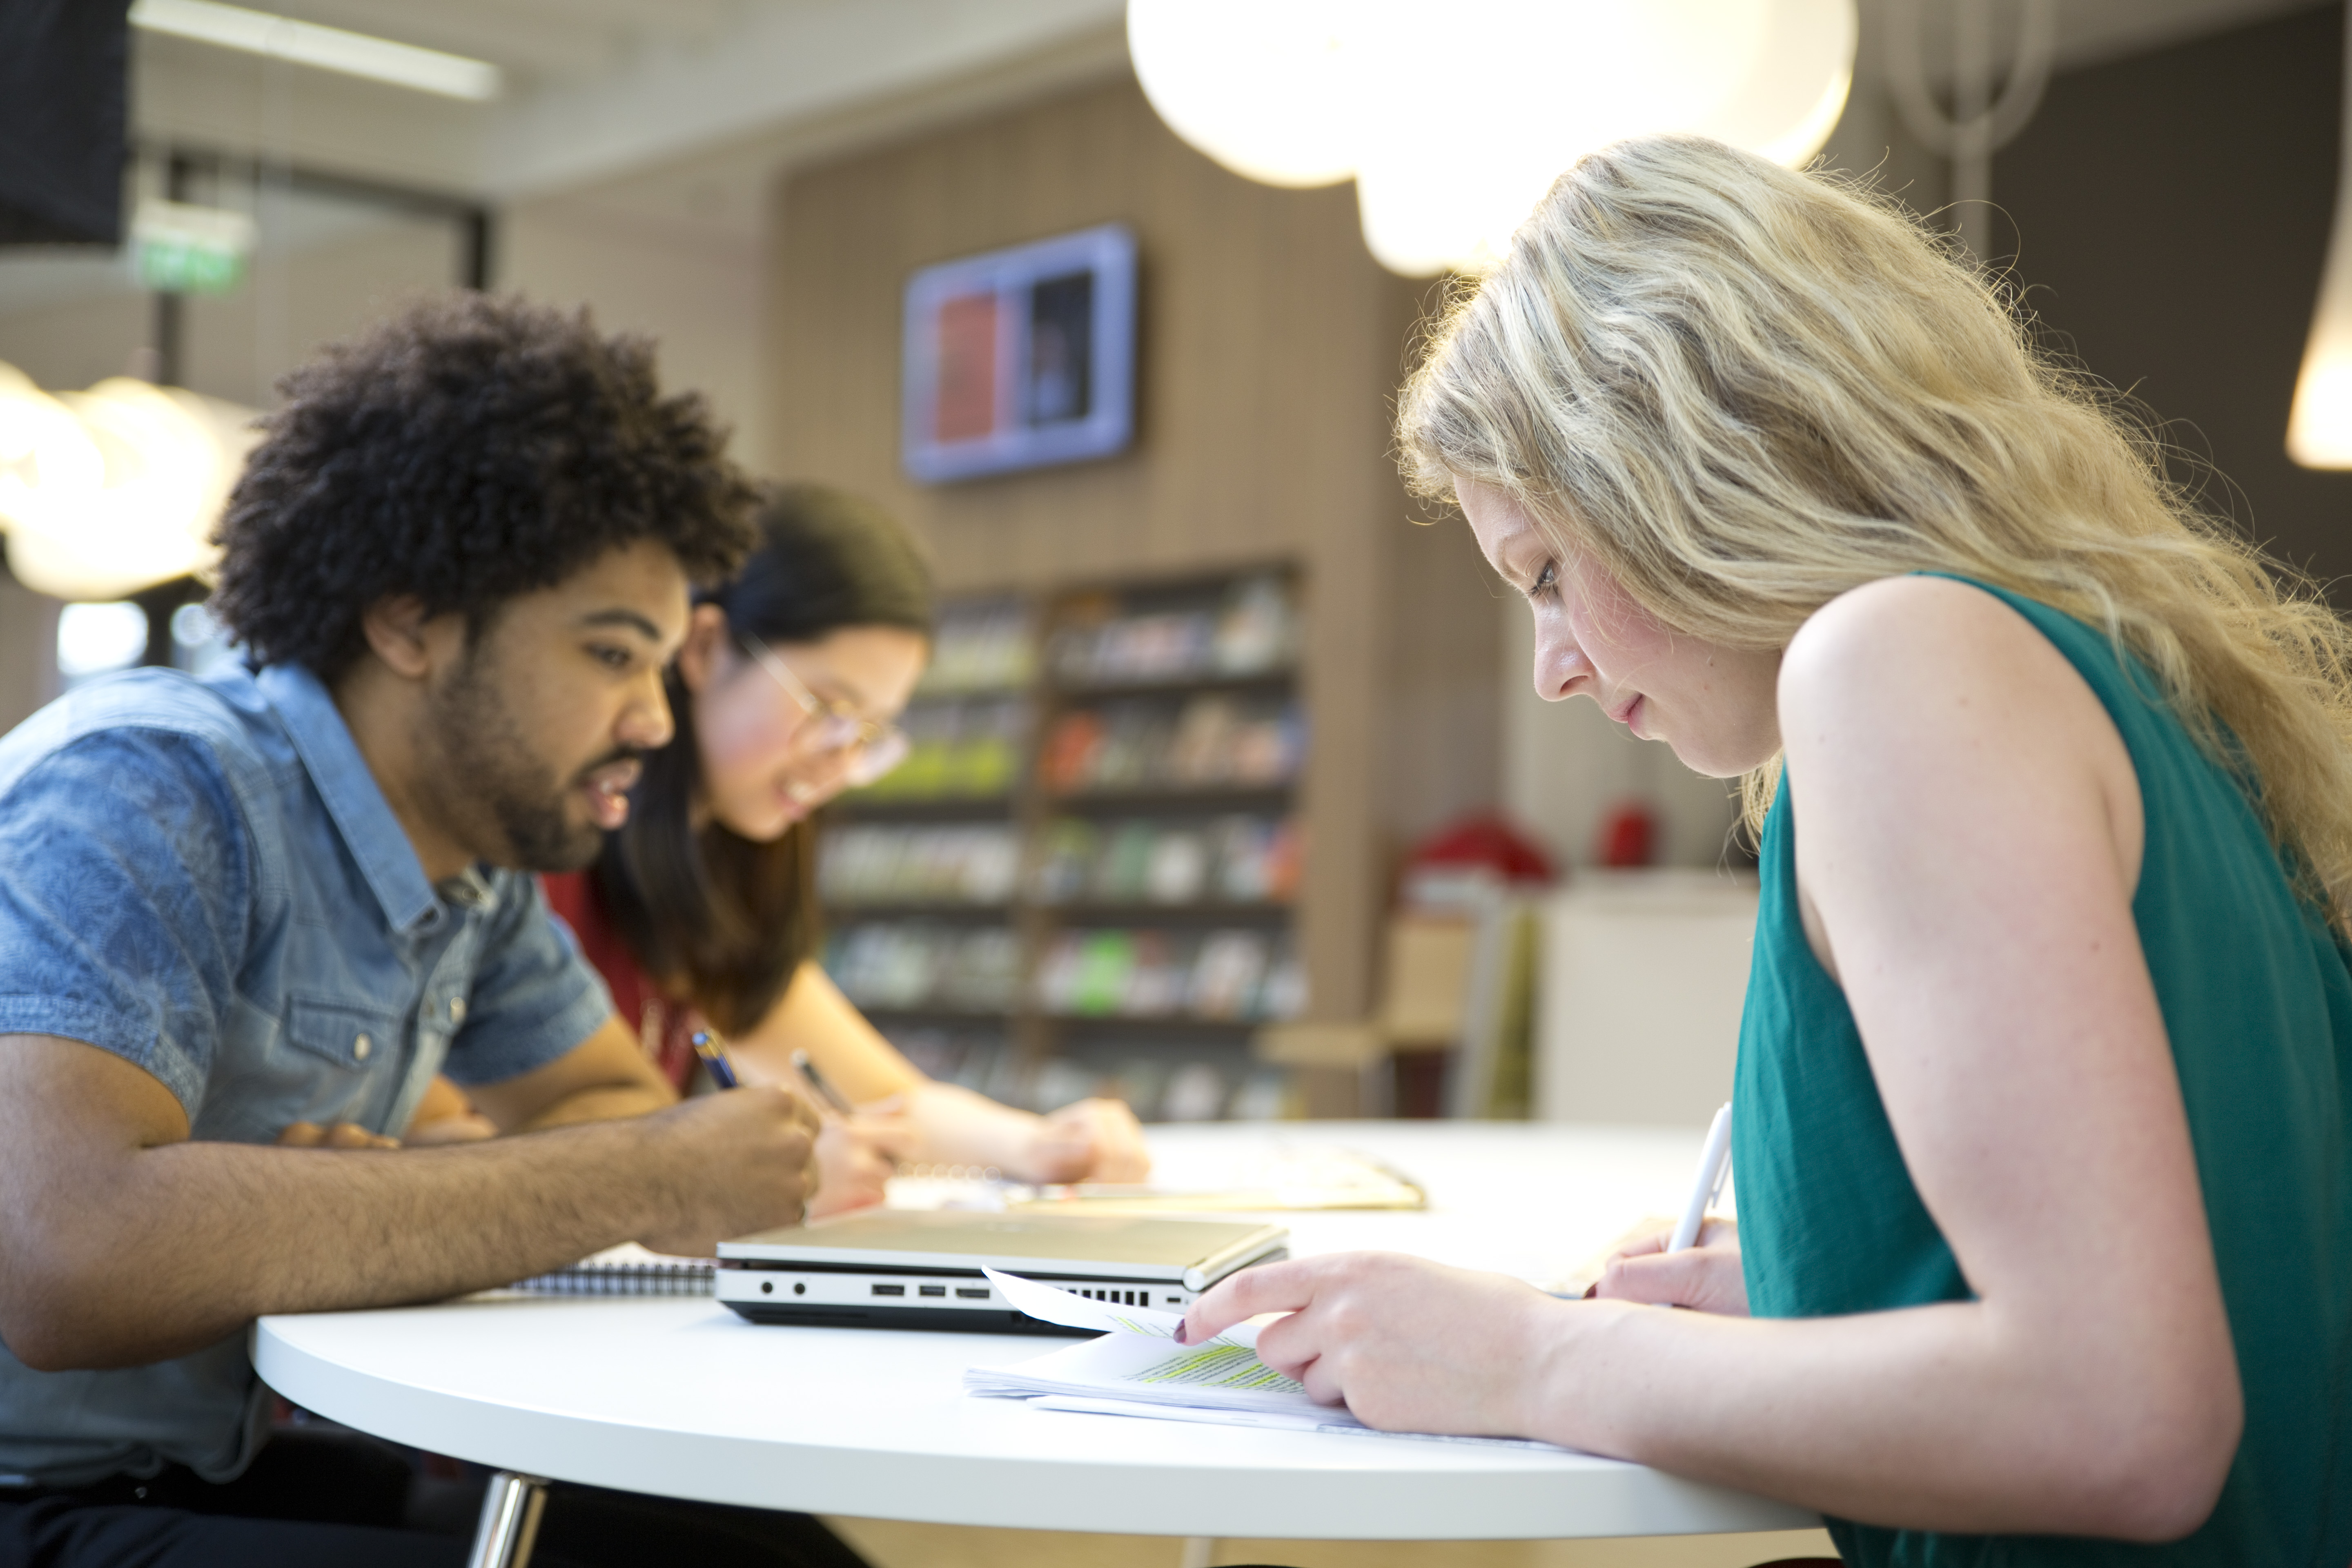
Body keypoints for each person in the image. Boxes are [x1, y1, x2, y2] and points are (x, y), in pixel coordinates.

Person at [1175, 135, 2352, 1566]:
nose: (1550, 667)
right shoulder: (2143, 692)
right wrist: (1824, 1297)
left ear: (1681, 460)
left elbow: (2122, 1419)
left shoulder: (1897, 663)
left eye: (1548, 573)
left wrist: (1525, 1359)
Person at [0, 294, 868, 1568]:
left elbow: (611, 1099)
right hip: (32, 1500)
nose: (654, 723)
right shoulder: (155, 783)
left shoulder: (471, 868)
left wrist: (344, 1202)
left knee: (764, 1553)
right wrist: (643, 1179)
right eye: (612, 655)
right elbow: (66, 1259)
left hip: (199, 1470)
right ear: (409, 620)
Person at [425, 483, 1147, 1203]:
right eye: (828, 708)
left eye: (868, 733)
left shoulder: (720, 875)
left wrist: (1040, 1146)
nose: (839, 759)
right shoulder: (535, 856)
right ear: (705, 648)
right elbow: (452, 1154)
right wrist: (763, 1181)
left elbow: (887, 1101)